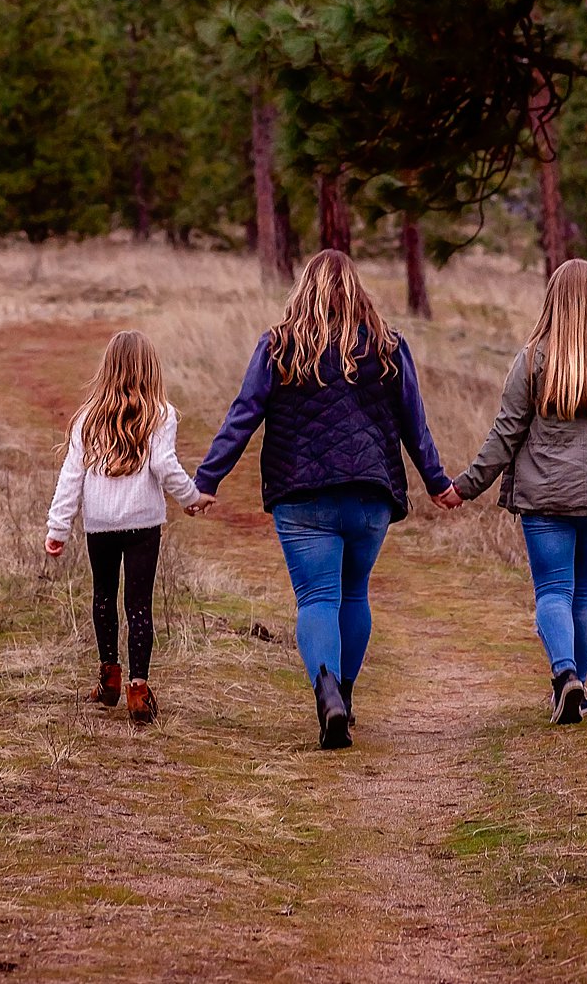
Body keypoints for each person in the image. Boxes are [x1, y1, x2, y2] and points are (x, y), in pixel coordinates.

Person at [192, 250, 456, 750]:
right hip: (370, 494)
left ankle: (328, 693)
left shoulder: (279, 346)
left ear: (303, 290)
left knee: (317, 599)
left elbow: (243, 414)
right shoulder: (387, 346)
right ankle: (346, 699)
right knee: (354, 594)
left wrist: (209, 480)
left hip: (302, 495)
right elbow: (413, 424)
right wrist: (437, 482)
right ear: (356, 290)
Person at [449, 259, 587, 724]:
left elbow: (506, 433)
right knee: (586, 592)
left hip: (545, 498)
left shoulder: (533, 358)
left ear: (552, 299)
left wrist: (465, 487)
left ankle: (565, 675)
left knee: (553, 588)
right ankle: (576, 690)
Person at [45, 330, 206, 725]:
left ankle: (109, 678)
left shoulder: (87, 417)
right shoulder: (161, 414)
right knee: (139, 606)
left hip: (99, 524)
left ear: (108, 368)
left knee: (103, 597)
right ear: (151, 369)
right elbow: (164, 465)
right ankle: (138, 689)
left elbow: (71, 477)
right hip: (143, 525)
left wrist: (58, 528)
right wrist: (190, 498)